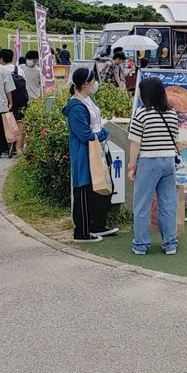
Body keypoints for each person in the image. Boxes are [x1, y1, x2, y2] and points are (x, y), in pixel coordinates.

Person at [61, 68, 118, 242]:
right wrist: (103, 133)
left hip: (97, 150)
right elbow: (85, 135)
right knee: (84, 191)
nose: (94, 84)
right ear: (86, 84)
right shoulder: (76, 106)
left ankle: (97, 225)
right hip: (85, 154)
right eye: (93, 82)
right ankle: (82, 231)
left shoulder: (87, 100)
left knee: (104, 188)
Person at [127, 77, 180, 255]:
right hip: (168, 162)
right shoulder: (172, 113)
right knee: (168, 203)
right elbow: (175, 139)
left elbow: (135, 143)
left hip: (148, 162)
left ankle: (141, 244)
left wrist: (131, 166)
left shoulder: (141, 114)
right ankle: (170, 243)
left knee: (142, 204)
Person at [0, 49, 28, 157]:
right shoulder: (19, 70)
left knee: (7, 121)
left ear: (1, 58)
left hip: (7, 99)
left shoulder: (1, 70)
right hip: (20, 100)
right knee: (19, 121)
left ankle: (8, 143)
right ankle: (18, 144)